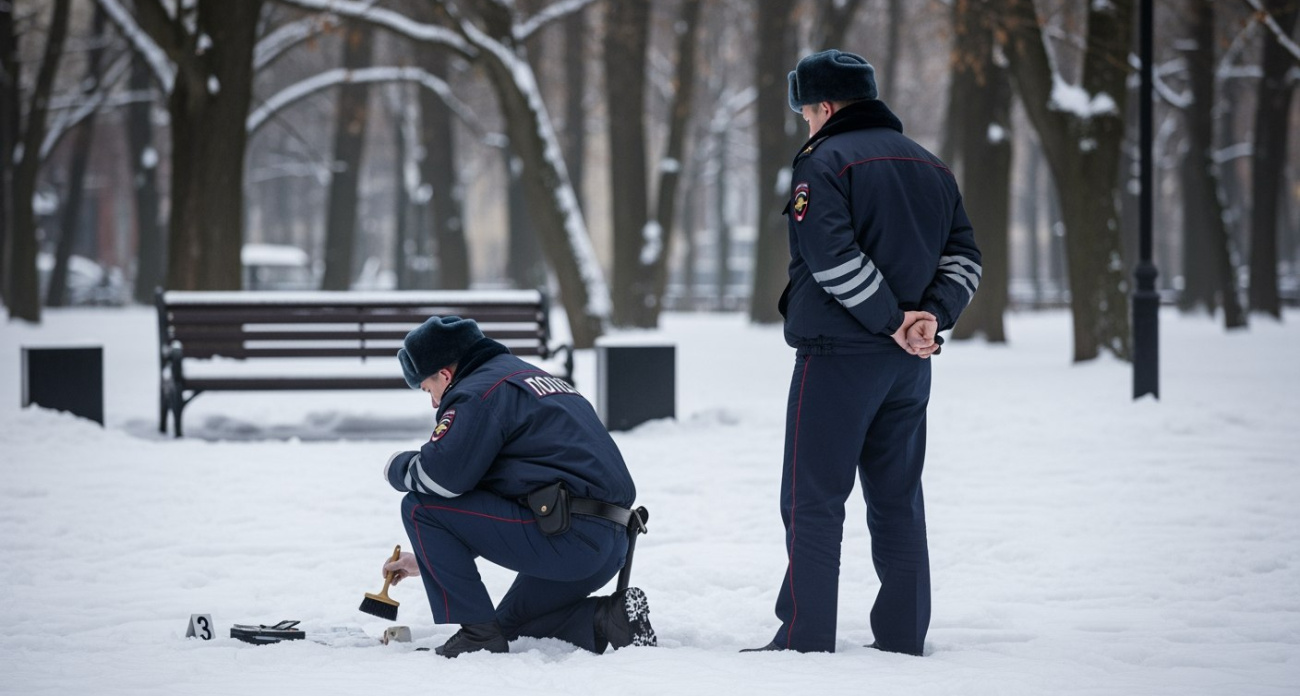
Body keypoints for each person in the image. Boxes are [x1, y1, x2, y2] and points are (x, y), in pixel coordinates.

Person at [747, 49, 981, 656]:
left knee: (812, 501)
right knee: (897, 498)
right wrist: (930, 317)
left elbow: (830, 257)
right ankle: (903, 637)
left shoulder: (823, 162)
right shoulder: (933, 166)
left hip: (837, 358)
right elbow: (965, 258)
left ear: (824, 107)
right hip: (909, 369)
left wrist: (892, 320)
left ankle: (804, 638)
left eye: (806, 113)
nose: (806, 123)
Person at [379, 315, 656, 657]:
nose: (435, 402)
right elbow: (495, 499)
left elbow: (442, 478)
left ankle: (477, 635)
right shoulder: (535, 379)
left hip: (568, 538)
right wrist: (429, 559)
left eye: (428, 389)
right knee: (509, 626)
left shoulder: (477, 392)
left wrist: (394, 466)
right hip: (610, 543)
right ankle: (609, 619)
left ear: (445, 375)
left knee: (420, 505)